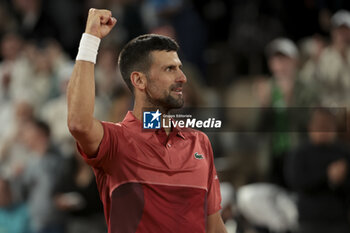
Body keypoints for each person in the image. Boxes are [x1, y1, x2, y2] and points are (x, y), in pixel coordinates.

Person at [67, 8, 226, 233]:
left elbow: (214, 226)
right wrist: (90, 40)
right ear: (139, 81)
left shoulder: (199, 142)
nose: (182, 78)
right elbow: (78, 123)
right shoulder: (116, 141)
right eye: (170, 69)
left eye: (179, 68)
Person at [285, 109, 350, 233]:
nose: (324, 131)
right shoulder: (300, 153)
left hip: (338, 222)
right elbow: (296, 182)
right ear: (311, 127)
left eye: (327, 126)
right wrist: (327, 175)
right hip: (309, 221)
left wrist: (339, 180)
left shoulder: (343, 153)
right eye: (320, 126)